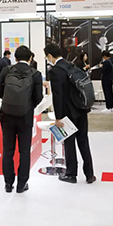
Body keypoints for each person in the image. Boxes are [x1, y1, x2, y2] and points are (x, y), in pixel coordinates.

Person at [44, 43, 96, 184]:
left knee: (69, 143)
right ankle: (89, 174)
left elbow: (58, 96)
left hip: (67, 112)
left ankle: (71, 174)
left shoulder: (55, 71)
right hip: (81, 109)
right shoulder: (72, 66)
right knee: (83, 141)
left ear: (50, 55)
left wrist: (58, 117)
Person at [0, 45, 43, 193]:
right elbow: (38, 96)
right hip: (25, 117)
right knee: (24, 151)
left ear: (15, 58)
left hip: (7, 115)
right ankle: (21, 184)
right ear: (30, 58)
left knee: (8, 150)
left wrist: (10, 102)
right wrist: (28, 105)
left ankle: (8, 184)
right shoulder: (35, 74)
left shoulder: (6, 70)